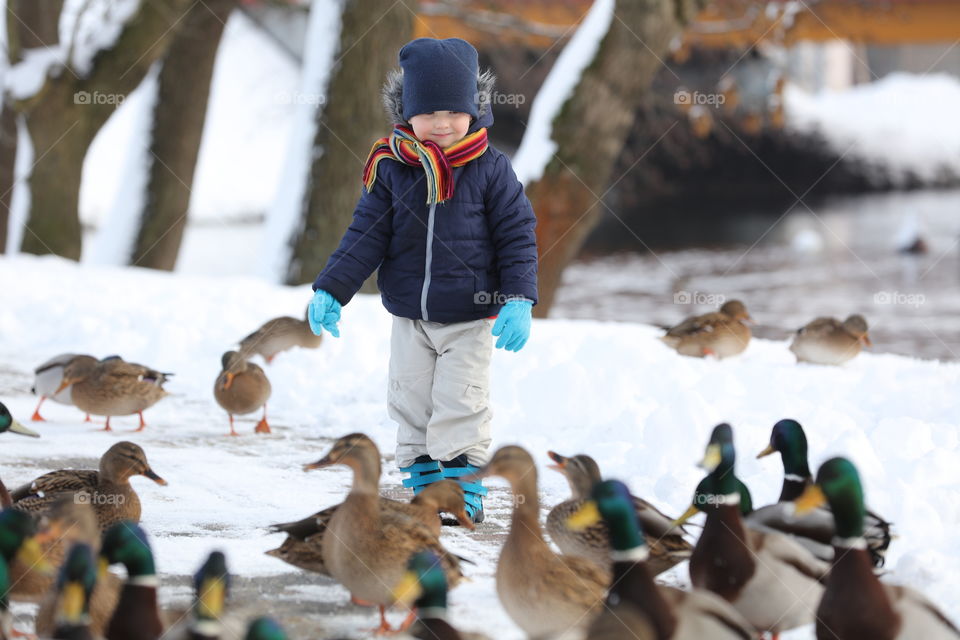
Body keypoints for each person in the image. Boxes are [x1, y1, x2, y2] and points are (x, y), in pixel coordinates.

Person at [308, 37, 538, 523]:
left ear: (474, 109)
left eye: (454, 111)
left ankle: (462, 483)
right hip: (410, 315)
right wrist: (332, 288)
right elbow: (364, 236)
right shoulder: (392, 169)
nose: (442, 123)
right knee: (410, 400)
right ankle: (425, 483)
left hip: (470, 315)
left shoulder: (491, 169)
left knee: (460, 403)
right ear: (406, 113)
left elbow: (517, 235)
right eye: (428, 112)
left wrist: (519, 297)